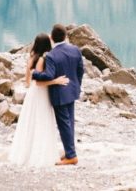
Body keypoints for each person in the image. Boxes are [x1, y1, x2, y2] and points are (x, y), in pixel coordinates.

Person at [8, 33, 71, 167]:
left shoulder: (32, 57)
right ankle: (39, 154)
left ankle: (28, 151)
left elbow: (27, 81)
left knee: (31, 122)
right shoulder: (42, 59)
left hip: (32, 94)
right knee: (42, 122)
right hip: (41, 94)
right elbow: (39, 83)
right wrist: (56, 81)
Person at [31, 23, 85, 165]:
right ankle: (69, 152)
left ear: (52, 38)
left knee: (64, 124)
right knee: (70, 123)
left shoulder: (51, 56)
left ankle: (71, 156)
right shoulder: (75, 50)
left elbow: (49, 75)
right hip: (72, 90)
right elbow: (81, 70)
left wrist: (35, 74)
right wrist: (77, 85)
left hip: (59, 94)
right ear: (66, 36)